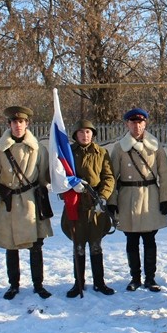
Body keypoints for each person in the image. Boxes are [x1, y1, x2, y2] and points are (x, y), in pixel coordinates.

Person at [0, 106, 54, 300]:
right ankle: (13, 285)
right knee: (11, 246)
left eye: (21, 122)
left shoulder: (38, 148)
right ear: (9, 125)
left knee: (36, 246)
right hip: (10, 203)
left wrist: (36, 193)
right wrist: (5, 193)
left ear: (27, 124)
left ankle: (38, 284)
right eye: (14, 122)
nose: (18, 126)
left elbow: (43, 175)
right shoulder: (0, 150)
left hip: (32, 202)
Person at [108, 107, 167, 292]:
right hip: (127, 197)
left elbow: (164, 173)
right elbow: (112, 176)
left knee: (149, 239)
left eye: (140, 122)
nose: (137, 126)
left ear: (145, 123)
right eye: (133, 122)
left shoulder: (155, 146)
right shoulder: (120, 147)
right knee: (131, 240)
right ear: (127, 124)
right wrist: (112, 201)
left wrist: (165, 198)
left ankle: (150, 278)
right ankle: (135, 278)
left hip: (150, 195)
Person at [62, 119, 116, 298]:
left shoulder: (101, 153)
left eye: (88, 132)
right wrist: (69, 186)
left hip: (95, 206)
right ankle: (79, 282)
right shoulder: (68, 153)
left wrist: (103, 197)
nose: (85, 135)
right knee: (78, 245)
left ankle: (99, 282)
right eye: (81, 132)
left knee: (95, 245)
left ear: (93, 134)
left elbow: (108, 177)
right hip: (75, 204)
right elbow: (58, 176)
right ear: (75, 135)